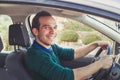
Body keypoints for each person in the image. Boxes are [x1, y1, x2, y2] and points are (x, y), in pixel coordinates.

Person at [25, 11, 114, 80]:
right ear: (35, 31)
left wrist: (96, 44)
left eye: (54, 27)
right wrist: (100, 64)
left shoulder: (50, 47)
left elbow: (74, 53)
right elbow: (65, 76)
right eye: (46, 27)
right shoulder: (35, 55)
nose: (53, 31)